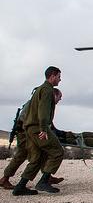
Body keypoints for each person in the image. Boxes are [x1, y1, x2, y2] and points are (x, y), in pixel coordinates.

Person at [12, 66, 65, 196]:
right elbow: (43, 111)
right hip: (38, 128)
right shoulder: (47, 90)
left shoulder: (38, 89)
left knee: (37, 158)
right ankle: (44, 181)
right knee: (57, 151)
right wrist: (44, 129)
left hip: (29, 128)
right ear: (52, 76)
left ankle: (20, 187)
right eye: (59, 76)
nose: (60, 79)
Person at [1, 89, 65, 190]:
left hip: (28, 131)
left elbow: (46, 120)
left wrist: (55, 131)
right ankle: (5, 179)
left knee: (43, 152)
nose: (59, 99)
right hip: (24, 132)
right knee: (22, 155)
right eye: (59, 97)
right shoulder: (38, 102)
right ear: (53, 95)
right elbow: (31, 119)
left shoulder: (44, 103)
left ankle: (47, 176)